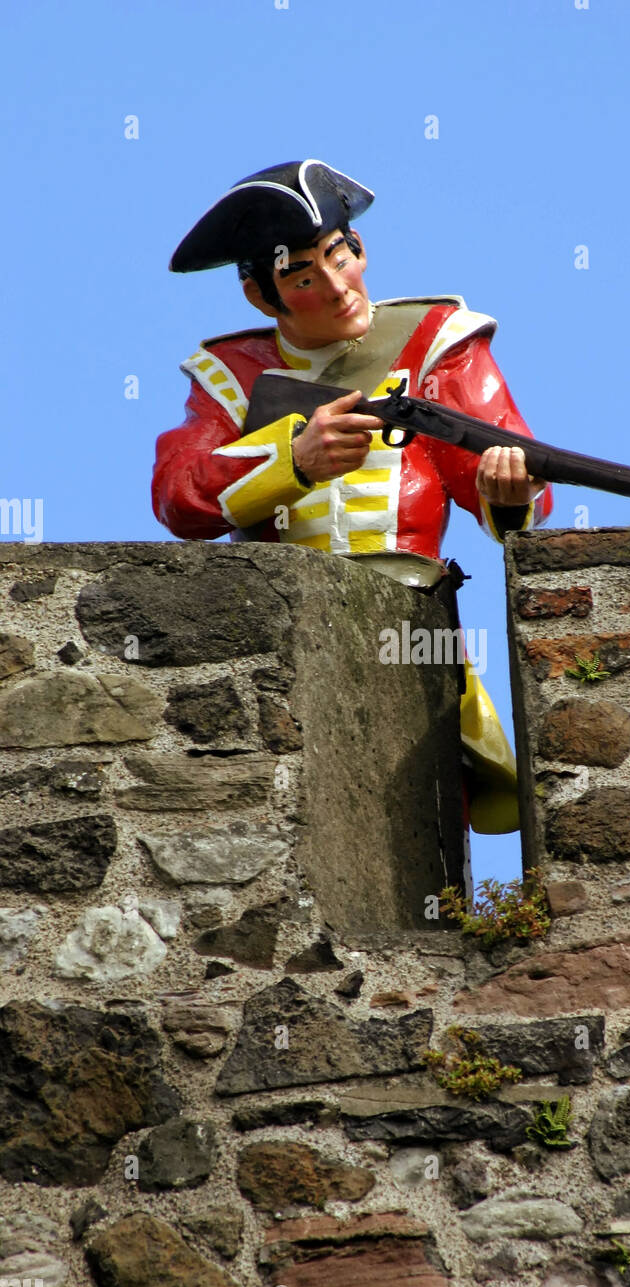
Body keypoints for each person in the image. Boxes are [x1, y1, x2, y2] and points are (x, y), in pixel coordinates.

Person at [153, 158, 553, 836]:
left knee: (424, 807)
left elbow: (509, 491)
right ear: (263, 297)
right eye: (304, 277)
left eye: (342, 257)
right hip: (279, 625)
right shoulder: (231, 376)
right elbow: (178, 496)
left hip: (411, 620)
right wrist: (292, 460)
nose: (339, 287)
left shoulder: (435, 344)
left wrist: (509, 489)